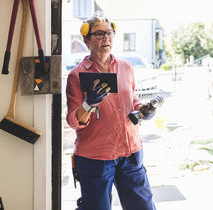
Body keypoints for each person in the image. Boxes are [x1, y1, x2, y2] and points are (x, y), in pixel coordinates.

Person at [66, 12, 157, 210]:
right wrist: (88, 104)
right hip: (96, 158)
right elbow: (73, 121)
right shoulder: (77, 76)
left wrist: (143, 110)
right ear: (86, 40)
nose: (106, 38)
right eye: (99, 34)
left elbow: (131, 99)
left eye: (109, 33)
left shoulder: (126, 67)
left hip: (130, 153)